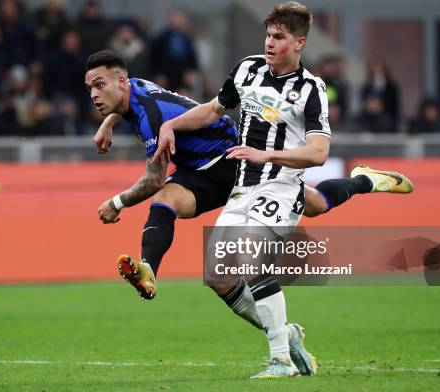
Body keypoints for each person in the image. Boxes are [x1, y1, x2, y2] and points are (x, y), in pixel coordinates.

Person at [85, 36, 412, 376]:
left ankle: (362, 180)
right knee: (214, 247)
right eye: (90, 87)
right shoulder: (135, 88)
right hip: (199, 169)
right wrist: (109, 121)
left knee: (300, 211)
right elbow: (131, 102)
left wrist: (117, 202)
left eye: (99, 85)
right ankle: (150, 270)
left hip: (230, 160)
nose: (93, 94)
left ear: (120, 81)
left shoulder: (152, 114)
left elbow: (153, 177)